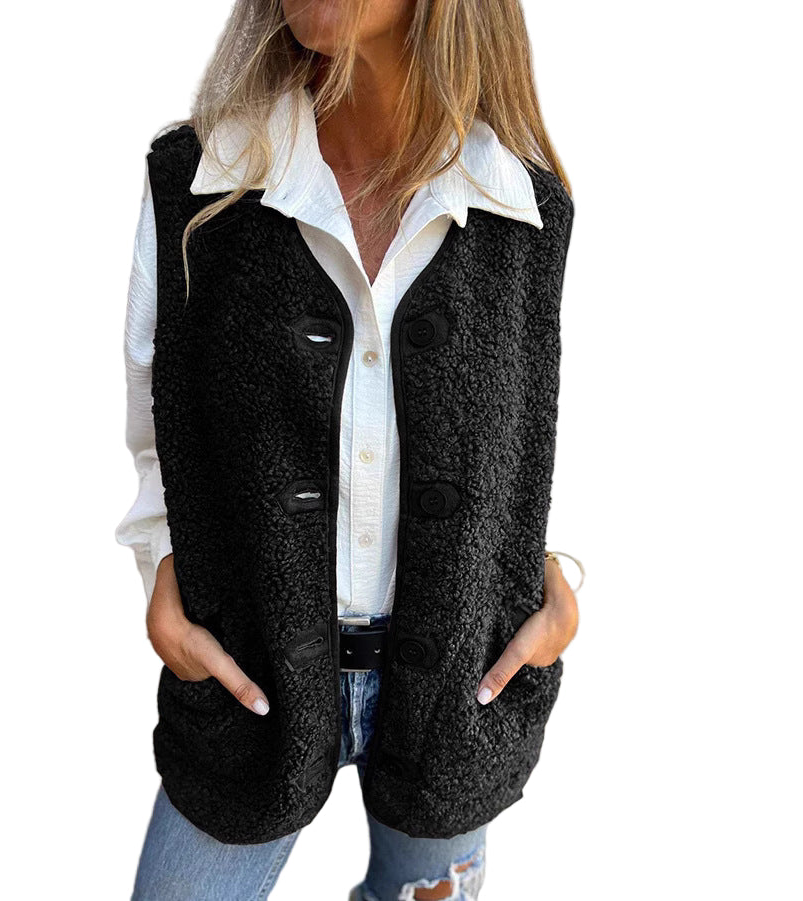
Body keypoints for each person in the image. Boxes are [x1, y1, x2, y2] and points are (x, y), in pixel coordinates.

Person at [115, 1, 580, 898]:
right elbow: (156, 408)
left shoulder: (521, 205)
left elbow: (544, 419)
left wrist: (560, 582)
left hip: (457, 687)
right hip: (246, 672)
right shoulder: (203, 179)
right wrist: (161, 566)